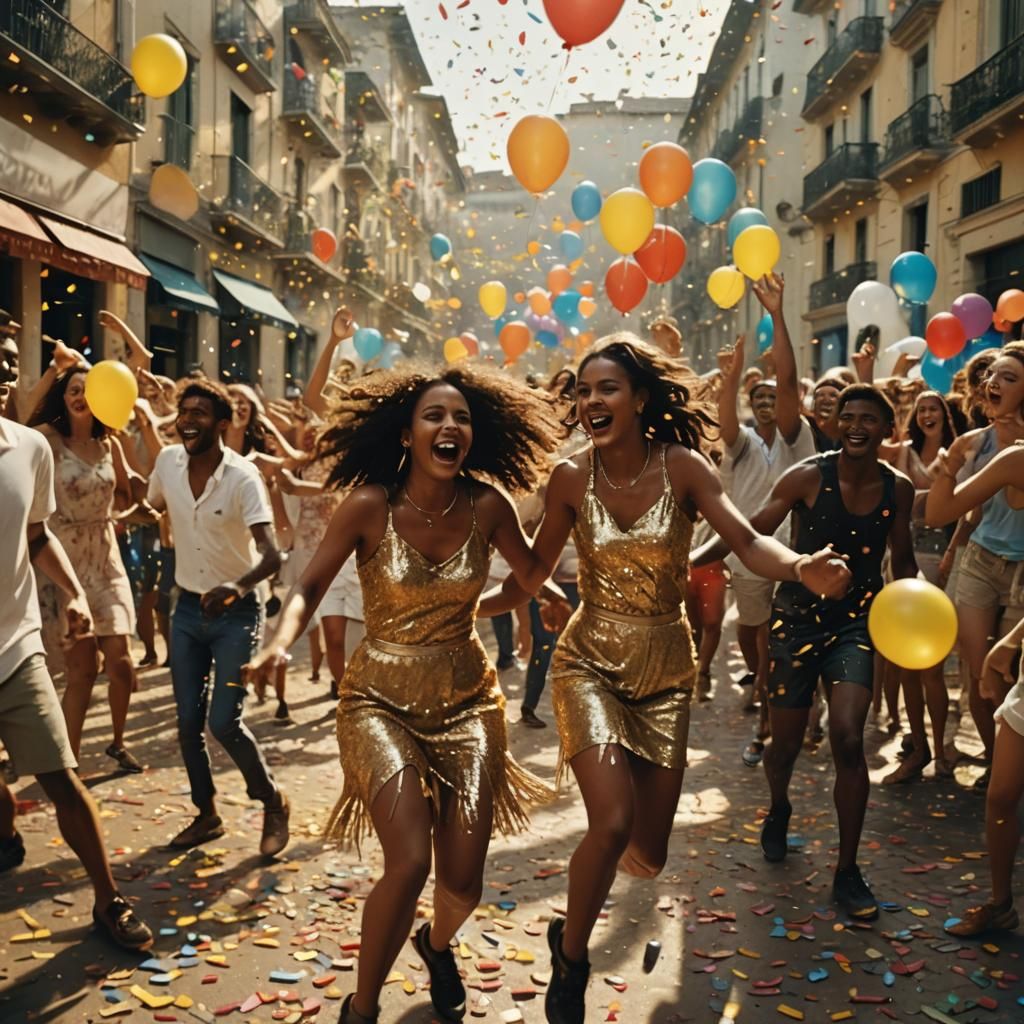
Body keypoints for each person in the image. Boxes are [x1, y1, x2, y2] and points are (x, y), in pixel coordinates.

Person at [481, 333, 849, 1024]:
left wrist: (799, 567)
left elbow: (745, 540)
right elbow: (529, 574)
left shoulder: (683, 467)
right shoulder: (568, 478)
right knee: (611, 820)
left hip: (665, 671)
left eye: (607, 388)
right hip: (589, 660)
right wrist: (458, 606)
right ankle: (572, 955)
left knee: (646, 853)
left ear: (640, 399)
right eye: (584, 391)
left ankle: (598, 876)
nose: (592, 400)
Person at [244, 363, 566, 1024]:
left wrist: (558, 546)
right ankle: (361, 1008)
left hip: (469, 702)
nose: (451, 427)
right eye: (435, 416)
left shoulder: (488, 506)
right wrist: (279, 642)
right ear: (407, 434)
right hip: (378, 703)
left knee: (464, 882)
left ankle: (435, 943)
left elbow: (530, 574)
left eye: (462, 418)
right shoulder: (370, 505)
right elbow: (308, 585)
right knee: (411, 858)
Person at [695, 383, 916, 921]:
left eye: (869, 418)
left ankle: (847, 871)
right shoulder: (807, 475)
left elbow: (903, 559)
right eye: (848, 416)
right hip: (795, 622)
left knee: (846, 736)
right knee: (785, 746)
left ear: (888, 430)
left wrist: (916, 615)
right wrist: (692, 559)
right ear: (837, 424)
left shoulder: (899, 488)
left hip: (858, 626)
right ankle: (778, 808)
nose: (857, 425)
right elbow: (750, 534)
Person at [0, 362, 153, 950]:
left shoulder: (29, 446)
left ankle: (109, 901)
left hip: (16, 647)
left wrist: (71, 595)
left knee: (62, 778)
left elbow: (38, 535)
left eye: (11, 361)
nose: (6, 371)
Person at [147, 378, 289, 856]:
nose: (187, 420)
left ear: (223, 425)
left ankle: (271, 802)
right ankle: (206, 814)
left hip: (236, 613)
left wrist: (237, 586)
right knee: (188, 723)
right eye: (183, 412)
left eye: (199, 414)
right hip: (186, 609)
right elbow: (151, 507)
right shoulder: (167, 462)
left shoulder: (243, 476)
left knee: (223, 721)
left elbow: (273, 556)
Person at [28, 363, 149, 773]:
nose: (80, 396)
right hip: (62, 563)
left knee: (121, 662)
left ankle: (117, 743)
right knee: (82, 672)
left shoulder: (110, 445)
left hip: (105, 557)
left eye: (87, 390)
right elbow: (21, 419)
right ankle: (69, 761)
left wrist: (140, 505)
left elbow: (125, 494)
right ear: (63, 398)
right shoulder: (46, 440)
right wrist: (51, 373)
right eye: (73, 390)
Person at [716, 274, 816, 764]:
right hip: (747, 557)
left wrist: (777, 315)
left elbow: (791, 382)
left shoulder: (800, 438)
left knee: (778, 646)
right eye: (758, 398)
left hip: (793, 557)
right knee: (755, 639)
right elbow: (726, 422)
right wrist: (732, 377)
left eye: (773, 398)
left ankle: (768, 725)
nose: (767, 404)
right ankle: (771, 697)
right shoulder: (742, 445)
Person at [931, 443, 1024, 936]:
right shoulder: (1016, 458)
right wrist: (951, 461)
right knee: (1002, 795)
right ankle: (1001, 904)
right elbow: (940, 511)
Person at [926, 343, 1024, 788]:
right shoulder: (973, 442)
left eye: (1009, 377)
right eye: (993, 376)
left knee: (1007, 671)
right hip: (981, 562)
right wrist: (946, 469)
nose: (993, 383)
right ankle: (994, 758)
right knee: (979, 667)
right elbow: (939, 514)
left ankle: (1011, 764)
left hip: (1023, 575)